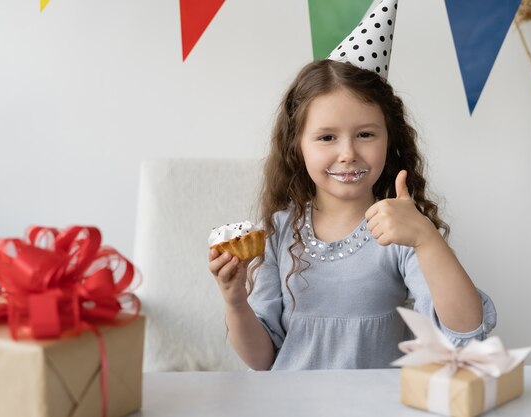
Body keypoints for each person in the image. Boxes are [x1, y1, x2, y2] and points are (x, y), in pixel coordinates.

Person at [208, 0, 496, 371]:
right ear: (297, 145)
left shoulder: (400, 228)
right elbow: (262, 360)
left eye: (365, 134)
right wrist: (234, 301)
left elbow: (465, 332)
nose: (347, 153)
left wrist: (425, 236)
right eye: (327, 137)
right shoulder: (278, 231)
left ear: (390, 139)